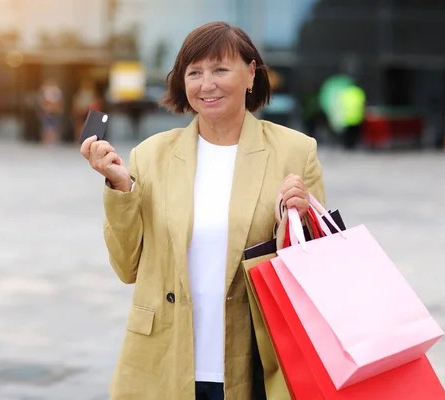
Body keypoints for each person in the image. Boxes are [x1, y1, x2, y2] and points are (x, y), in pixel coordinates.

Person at [80, 21, 325, 400]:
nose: (206, 84)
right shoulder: (151, 155)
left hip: (257, 364)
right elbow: (127, 266)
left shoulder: (295, 152)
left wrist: (297, 218)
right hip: (163, 363)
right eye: (194, 73)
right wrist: (120, 187)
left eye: (220, 70)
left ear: (250, 74)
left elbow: (315, 268)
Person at [72, 78, 102, 142]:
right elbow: (76, 105)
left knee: (90, 131)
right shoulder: (80, 95)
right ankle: (79, 142)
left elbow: (97, 104)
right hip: (81, 114)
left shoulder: (93, 94)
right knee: (80, 128)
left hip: (91, 114)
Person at [37, 79, 64, 145]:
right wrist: (45, 108)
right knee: (46, 128)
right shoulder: (45, 91)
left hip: (55, 112)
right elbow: (42, 102)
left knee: (54, 128)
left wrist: (57, 108)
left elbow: (60, 103)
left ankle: (53, 142)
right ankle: (45, 142)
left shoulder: (57, 92)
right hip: (47, 112)